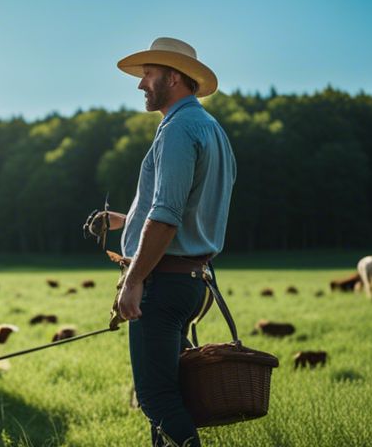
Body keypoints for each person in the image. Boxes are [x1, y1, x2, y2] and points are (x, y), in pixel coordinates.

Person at [97, 37, 236, 446]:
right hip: (192, 280)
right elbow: (189, 209)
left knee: (156, 399)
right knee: (173, 395)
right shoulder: (213, 130)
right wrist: (127, 221)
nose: (141, 85)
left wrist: (134, 279)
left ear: (173, 77)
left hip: (164, 282)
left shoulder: (177, 130)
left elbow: (167, 216)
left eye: (149, 75)